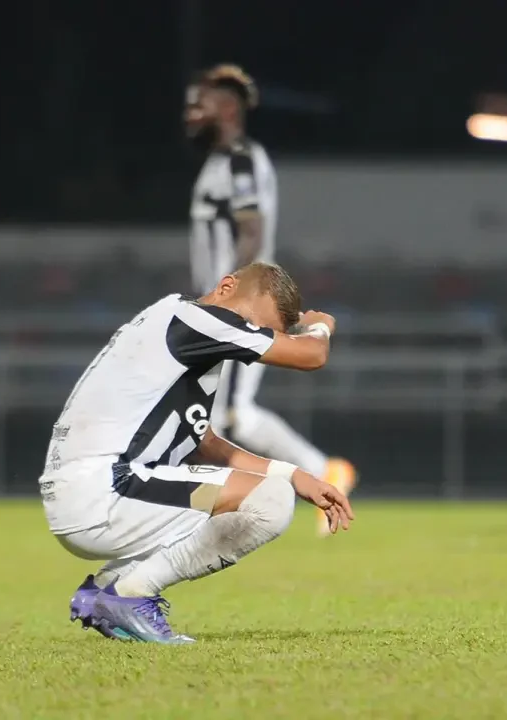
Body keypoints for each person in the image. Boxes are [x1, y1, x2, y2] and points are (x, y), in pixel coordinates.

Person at [38, 262, 355, 644]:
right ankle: (129, 595)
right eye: (250, 324)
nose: (247, 336)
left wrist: (294, 474)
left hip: (93, 493)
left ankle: (105, 590)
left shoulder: (174, 329)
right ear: (225, 287)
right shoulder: (197, 320)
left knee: (256, 493)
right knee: (269, 501)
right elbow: (311, 356)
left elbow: (203, 444)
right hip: (108, 490)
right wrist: (319, 327)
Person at [185, 63, 356, 537]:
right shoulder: (223, 161)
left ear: (226, 108)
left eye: (199, 104)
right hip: (227, 304)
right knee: (222, 412)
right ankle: (314, 474)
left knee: (224, 414)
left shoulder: (239, 160)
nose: (190, 115)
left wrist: (230, 298)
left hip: (239, 307)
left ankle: (320, 472)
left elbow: (252, 229)